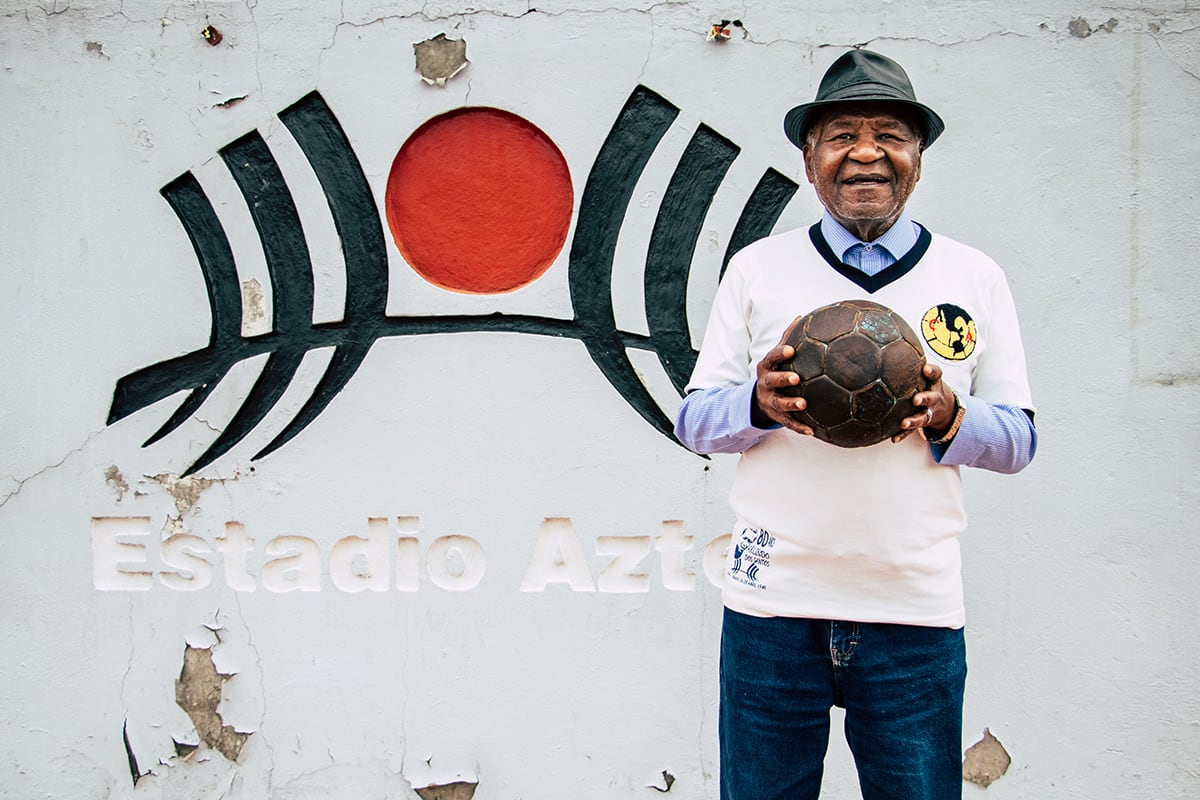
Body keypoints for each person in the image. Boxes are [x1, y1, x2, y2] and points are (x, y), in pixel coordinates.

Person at [674, 49, 1037, 800]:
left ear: (917, 160)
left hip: (913, 610)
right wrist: (756, 405)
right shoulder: (757, 270)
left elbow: (1020, 438)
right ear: (811, 161)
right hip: (773, 609)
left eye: (890, 134)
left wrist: (950, 416)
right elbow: (693, 421)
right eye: (841, 133)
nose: (865, 151)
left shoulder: (974, 278)